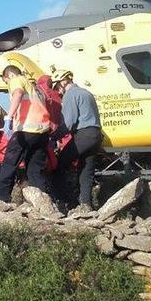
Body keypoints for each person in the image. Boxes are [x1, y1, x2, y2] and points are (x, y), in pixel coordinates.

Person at [0, 66, 52, 202]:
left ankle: (0, 199)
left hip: (26, 130)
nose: (7, 83)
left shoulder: (17, 80)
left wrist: (9, 117)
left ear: (10, 75)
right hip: (42, 133)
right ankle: (42, 202)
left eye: (5, 80)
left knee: (9, 164)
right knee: (34, 169)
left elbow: (18, 93)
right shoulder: (36, 88)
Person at [51, 69, 102, 212]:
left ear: (63, 82)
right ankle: (86, 205)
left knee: (59, 166)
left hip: (83, 135)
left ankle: (66, 202)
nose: (58, 91)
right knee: (86, 170)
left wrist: (53, 136)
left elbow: (68, 123)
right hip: (96, 135)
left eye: (57, 87)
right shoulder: (86, 93)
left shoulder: (70, 95)